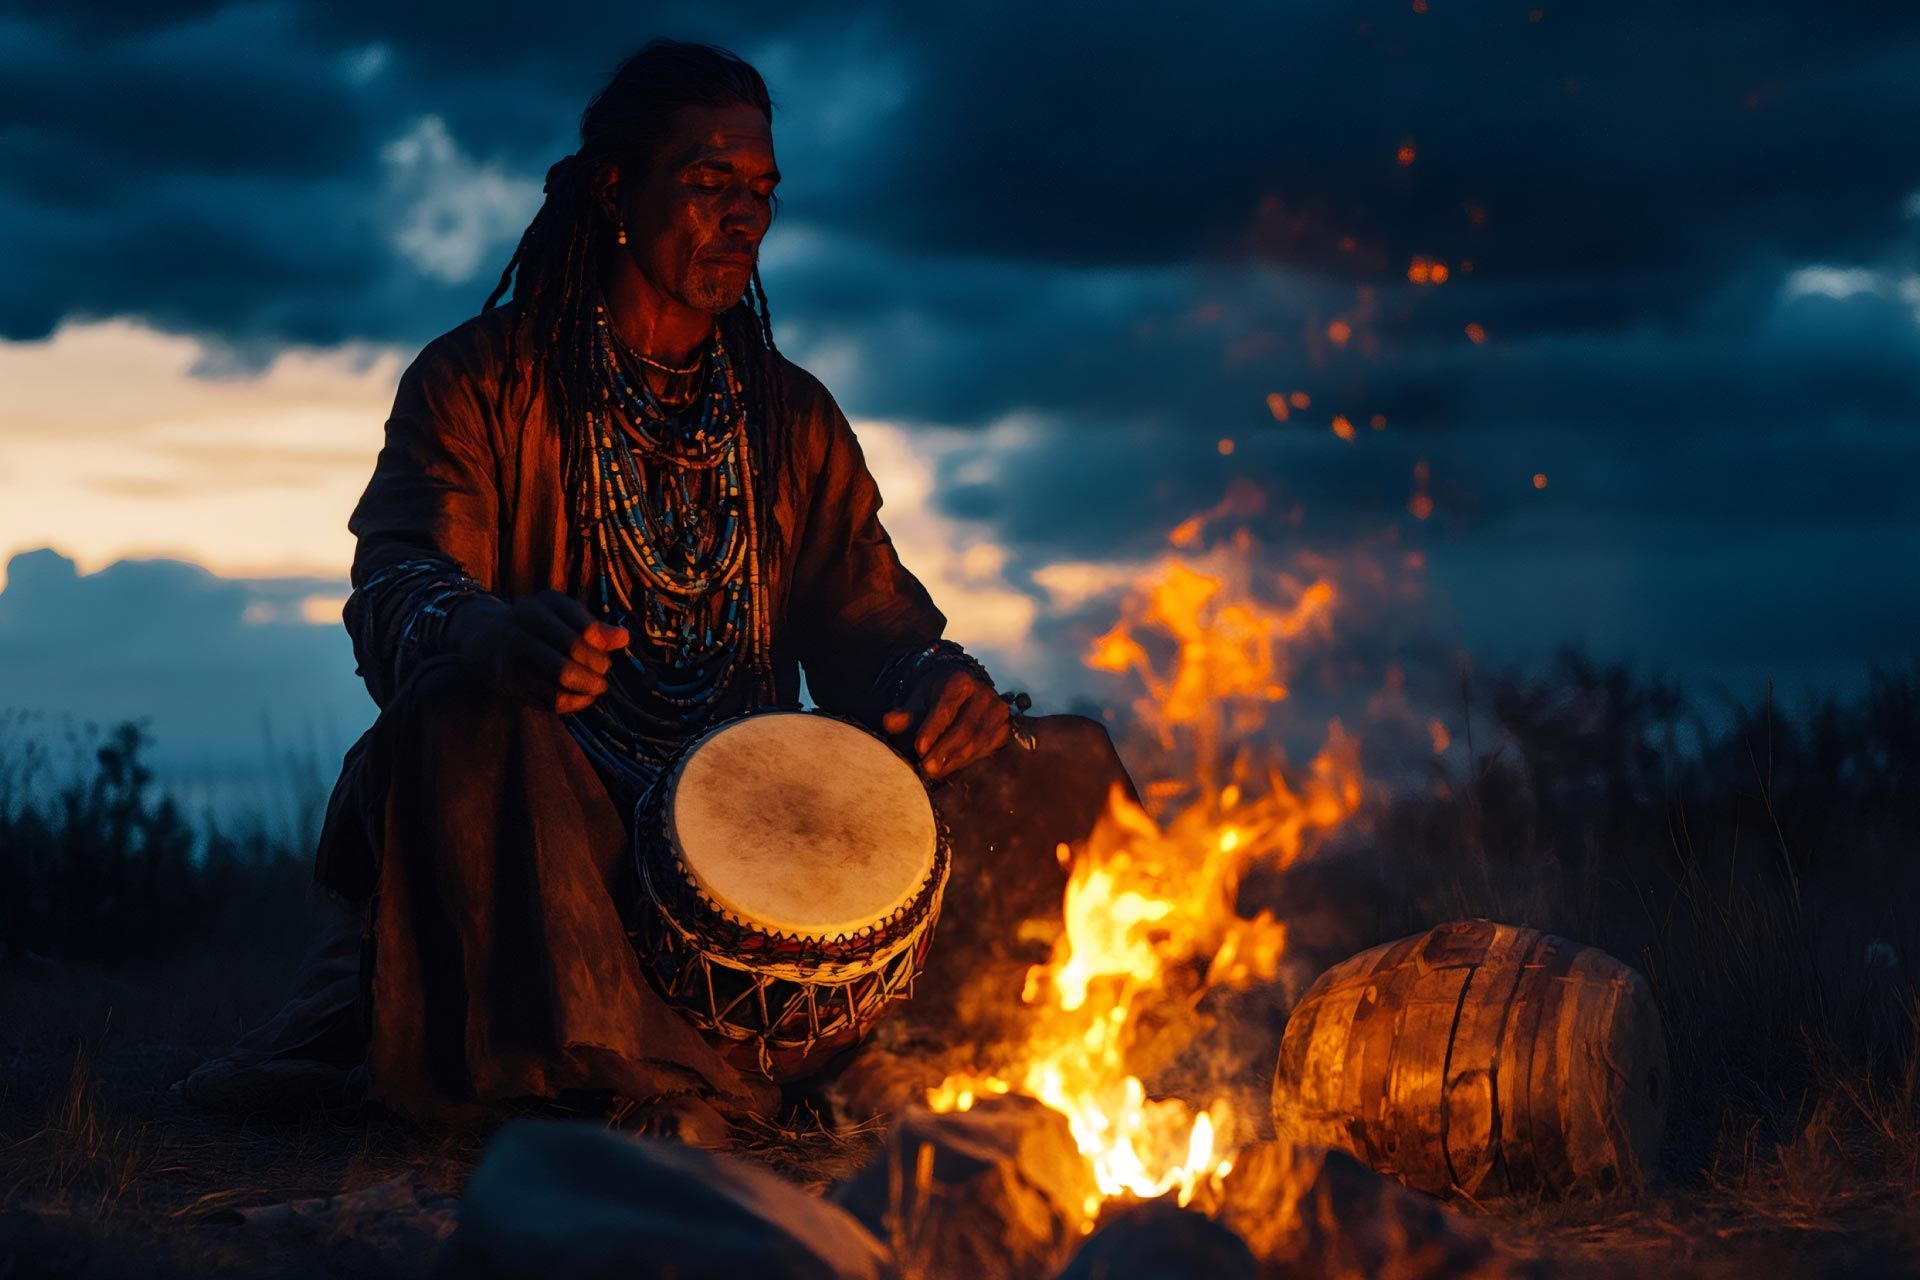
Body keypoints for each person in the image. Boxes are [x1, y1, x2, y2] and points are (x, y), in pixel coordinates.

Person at [182, 38, 1135, 1137]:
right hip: (567, 821)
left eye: (763, 193)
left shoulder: (791, 415)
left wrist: (937, 677)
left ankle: (947, 1057)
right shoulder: (479, 382)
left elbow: (872, 625)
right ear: (614, 191)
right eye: (710, 184)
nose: (745, 219)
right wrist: (488, 632)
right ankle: (644, 1076)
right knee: (462, 721)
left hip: (764, 839)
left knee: (1060, 765)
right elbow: (397, 585)